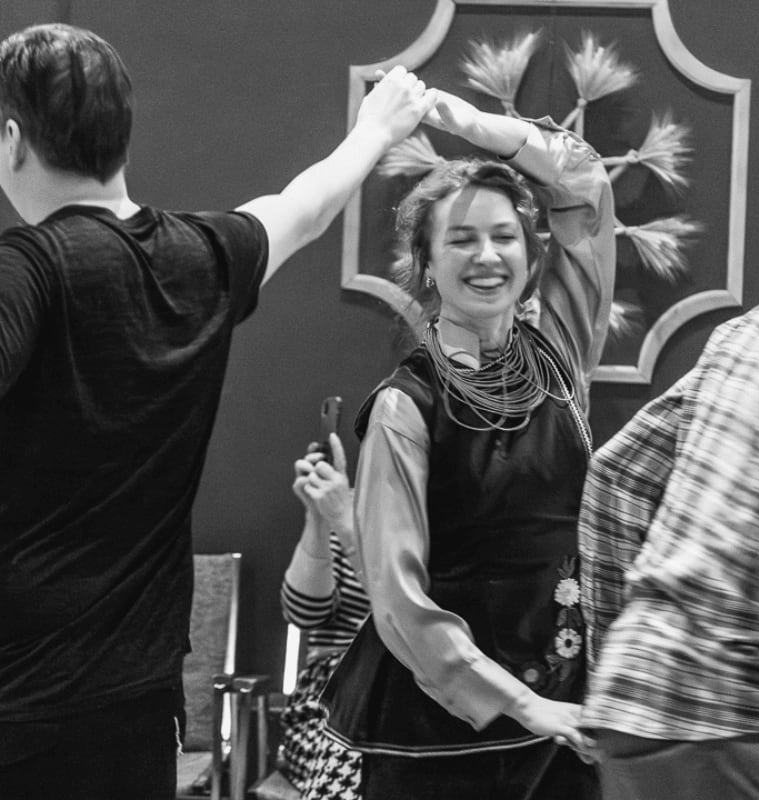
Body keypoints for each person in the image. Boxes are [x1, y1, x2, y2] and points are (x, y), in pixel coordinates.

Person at [0, 22, 435, 800]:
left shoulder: (27, 269)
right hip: (139, 704)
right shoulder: (200, 258)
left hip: (19, 703)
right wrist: (375, 129)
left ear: (11, 140)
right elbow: (305, 208)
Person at [322, 89, 616, 800]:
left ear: (530, 255)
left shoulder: (560, 356)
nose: (487, 256)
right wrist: (521, 703)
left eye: (504, 236)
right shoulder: (404, 406)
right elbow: (396, 598)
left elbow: (584, 186)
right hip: (441, 736)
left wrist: (474, 126)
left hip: (564, 718)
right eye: (460, 239)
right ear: (426, 263)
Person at [578, 201, 759, 799]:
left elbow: (615, 476)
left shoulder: (749, 331)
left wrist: (620, 651)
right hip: (741, 719)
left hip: (639, 702)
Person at [256, 433, 369, 800]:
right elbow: (304, 612)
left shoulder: (449, 516)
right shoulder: (347, 503)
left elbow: (415, 612)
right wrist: (319, 518)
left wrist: (345, 521)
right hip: (333, 697)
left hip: (416, 693)